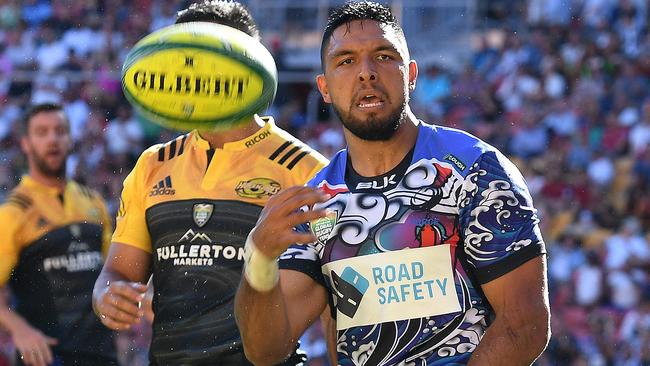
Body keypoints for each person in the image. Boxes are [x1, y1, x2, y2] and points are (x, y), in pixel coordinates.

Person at [235, 2, 551, 365]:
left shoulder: (475, 171)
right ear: (324, 88)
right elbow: (265, 350)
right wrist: (258, 258)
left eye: (384, 56)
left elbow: (524, 325)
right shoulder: (315, 202)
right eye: (346, 61)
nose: (366, 73)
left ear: (411, 74)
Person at [91, 1, 329, 365]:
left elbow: (335, 297)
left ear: (247, 63)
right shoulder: (152, 164)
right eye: (185, 61)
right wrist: (107, 294)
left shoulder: (307, 170)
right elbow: (119, 272)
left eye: (205, 60)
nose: (193, 76)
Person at [0, 103, 117, 366]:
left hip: (102, 354)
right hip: (47, 357)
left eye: (59, 131)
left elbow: (114, 272)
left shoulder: (94, 202)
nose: (52, 139)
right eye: (41, 132)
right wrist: (20, 329)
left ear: (69, 139)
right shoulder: (13, 213)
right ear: (26, 144)